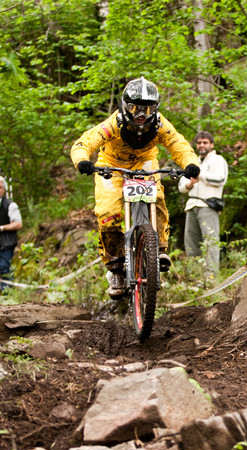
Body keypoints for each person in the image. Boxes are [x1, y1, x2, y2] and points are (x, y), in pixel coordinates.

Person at [71, 77, 200, 298]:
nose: (141, 115)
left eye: (147, 109)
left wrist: (191, 164)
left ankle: (159, 250)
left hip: (144, 162)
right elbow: (86, 141)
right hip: (111, 164)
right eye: (135, 108)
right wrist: (82, 160)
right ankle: (116, 267)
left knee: (157, 197)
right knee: (108, 214)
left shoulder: (160, 124)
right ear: (125, 106)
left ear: (155, 109)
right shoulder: (115, 123)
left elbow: (178, 144)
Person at [178, 131, 228, 276]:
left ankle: (210, 276)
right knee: (191, 244)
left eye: (205, 142)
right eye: (199, 143)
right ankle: (195, 275)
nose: (202, 145)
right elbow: (181, 186)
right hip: (191, 205)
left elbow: (220, 179)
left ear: (211, 145)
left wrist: (200, 175)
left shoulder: (218, 160)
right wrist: (190, 184)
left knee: (210, 242)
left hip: (208, 206)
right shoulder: (192, 162)